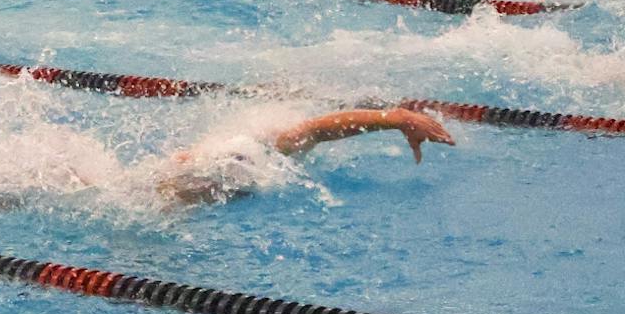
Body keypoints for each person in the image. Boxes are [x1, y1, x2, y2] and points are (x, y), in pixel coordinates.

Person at [160, 106, 455, 204]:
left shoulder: (243, 158)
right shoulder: (241, 152)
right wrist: (395, 119)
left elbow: (314, 130)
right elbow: (314, 131)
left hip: (233, 164)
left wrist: (397, 119)